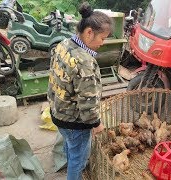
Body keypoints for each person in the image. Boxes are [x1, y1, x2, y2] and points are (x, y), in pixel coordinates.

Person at [47, 2, 113, 180]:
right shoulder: (85, 62)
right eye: (103, 38)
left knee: (70, 145)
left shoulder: (64, 44)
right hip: (74, 121)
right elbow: (88, 103)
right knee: (79, 158)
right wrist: (96, 124)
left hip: (57, 111)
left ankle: (70, 164)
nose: (103, 43)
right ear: (89, 32)